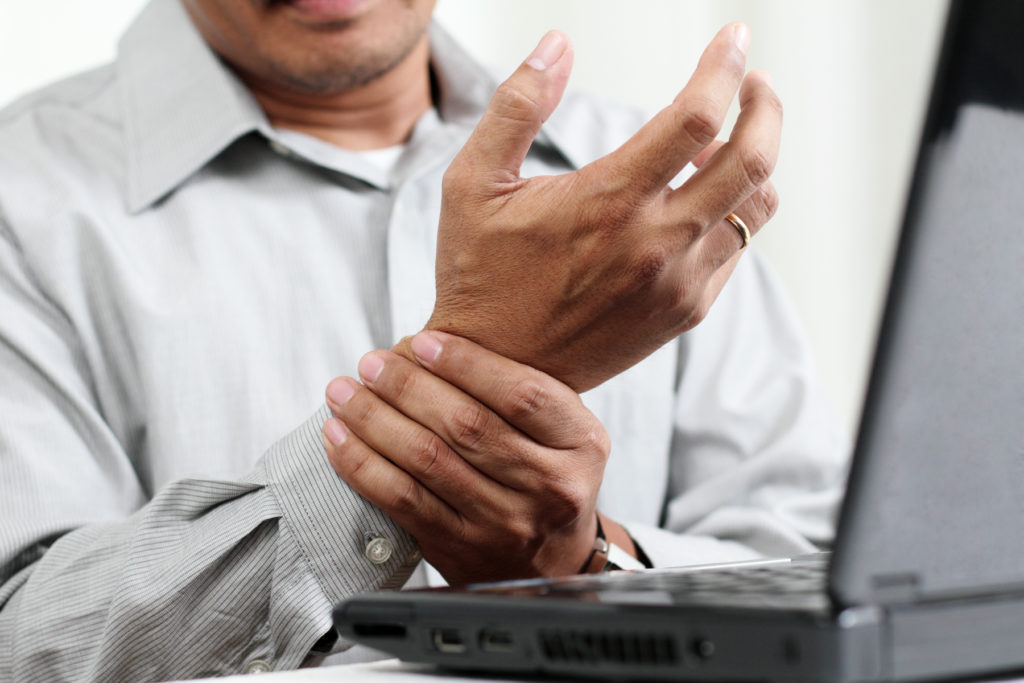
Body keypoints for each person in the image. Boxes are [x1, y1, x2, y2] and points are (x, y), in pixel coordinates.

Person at [0, 0, 847, 679]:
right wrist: (491, 366)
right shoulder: (19, 200)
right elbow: (22, 637)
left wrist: (589, 569)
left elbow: (824, 565)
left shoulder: (656, 197)